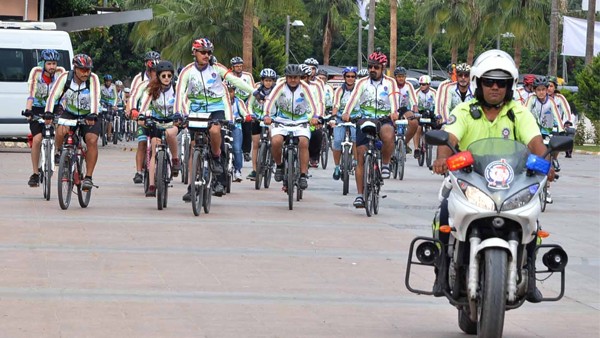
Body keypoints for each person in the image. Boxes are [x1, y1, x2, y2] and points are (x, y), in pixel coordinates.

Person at [431, 49, 553, 303]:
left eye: (502, 83)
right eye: (489, 81)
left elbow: (536, 143)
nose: (495, 87)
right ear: (478, 83)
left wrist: (546, 163)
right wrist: (442, 158)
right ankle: (442, 270)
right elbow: (449, 137)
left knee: (533, 221)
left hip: (511, 184)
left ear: (510, 86)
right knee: (443, 212)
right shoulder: (465, 111)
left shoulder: (518, 112)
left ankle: (528, 273)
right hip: (469, 179)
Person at [176, 38, 255, 200]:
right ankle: (192, 187)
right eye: (203, 52)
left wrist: (254, 92)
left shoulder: (217, 68)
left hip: (215, 109)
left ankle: (217, 158)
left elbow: (235, 80)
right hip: (196, 111)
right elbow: (179, 93)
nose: (206, 55)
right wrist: (179, 112)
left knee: (215, 130)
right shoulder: (187, 71)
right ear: (194, 53)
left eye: (209, 53)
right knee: (193, 148)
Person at [342, 51, 399, 208]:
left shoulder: (390, 83)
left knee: (388, 134)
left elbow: (394, 99)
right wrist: (346, 112)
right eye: (370, 67)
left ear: (383, 68)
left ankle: (386, 163)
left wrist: (395, 112)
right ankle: (360, 195)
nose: (372, 70)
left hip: (383, 119)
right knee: (360, 155)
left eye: (376, 67)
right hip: (365, 119)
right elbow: (353, 98)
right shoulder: (361, 83)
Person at [45, 54, 101, 192]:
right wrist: (48, 112)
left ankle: (88, 177)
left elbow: (95, 97)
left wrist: (93, 114)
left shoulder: (93, 79)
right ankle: (59, 153)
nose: (86, 73)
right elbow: (53, 95)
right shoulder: (65, 77)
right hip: (70, 112)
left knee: (91, 140)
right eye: (82, 70)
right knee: (61, 130)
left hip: (89, 114)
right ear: (75, 68)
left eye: (88, 70)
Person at [263, 64, 320, 191]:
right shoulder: (279, 87)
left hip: (301, 121)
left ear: (300, 77)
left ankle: (303, 175)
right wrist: (266, 115)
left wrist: (315, 116)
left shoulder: (305, 87)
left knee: (304, 142)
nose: (293, 80)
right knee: (276, 141)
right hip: (282, 121)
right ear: (286, 77)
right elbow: (270, 100)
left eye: (295, 77)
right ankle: (279, 166)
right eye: (290, 77)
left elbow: (314, 102)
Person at [136, 61, 180, 197]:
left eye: (169, 75)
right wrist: (141, 115)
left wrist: (183, 116)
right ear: (159, 77)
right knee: (154, 151)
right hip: (156, 122)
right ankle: (151, 185)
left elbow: (184, 103)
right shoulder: (152, 89)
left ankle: (175, 160)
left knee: (170, 134)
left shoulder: (177, 89)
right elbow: (143, 104)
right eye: (163, 76)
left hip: (172, 122)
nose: (166, 78)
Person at [24, 49, 66, 187]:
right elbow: (31, 93)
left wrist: (63, 111)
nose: (52, 66)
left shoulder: (61, 72)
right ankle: (35, 174)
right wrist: (29, 110)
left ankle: (57, 152)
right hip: (37, 107)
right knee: (37, 139)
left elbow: (63, 94)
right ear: (43, 63)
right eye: (49, 63)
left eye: (54, 63)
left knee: (62, 127)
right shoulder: (36, 72)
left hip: (54, 106)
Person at [129, 50, 161, 184]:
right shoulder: (139, 79)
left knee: (160, 143)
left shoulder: (164, 77)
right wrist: (132, 110)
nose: (153, 72)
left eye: (155, 69)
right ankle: (138, 172)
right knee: (142, 143)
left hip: (159, 115)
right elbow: (133, 97)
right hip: (143, 113)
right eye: (151, 69)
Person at [246, 68, 277, 180]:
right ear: (262, 80)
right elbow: (249, 104)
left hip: (271, 119)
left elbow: (280, 107)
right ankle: (254, 170)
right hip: (257, 119)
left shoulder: (276, 92)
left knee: (274, 141)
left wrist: (276, 118)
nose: (268, 82)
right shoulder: (256, 91)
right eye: (266, 80)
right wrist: (250, 114)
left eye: (270, 80)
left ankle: (272, 161)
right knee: (255, 145)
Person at [331, 66, 360, 181]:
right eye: (348, 76)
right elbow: (336, 105)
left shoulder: (359, 89)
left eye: (353, 76)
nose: (350, 78)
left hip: (356, 118)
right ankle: (337, 167)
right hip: (340, 118)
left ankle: (356, 162)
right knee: (337, 141)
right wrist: (333, 117)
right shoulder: (339, 90)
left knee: (356, 138)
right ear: (344, 77)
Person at [229, 56, 255, 163]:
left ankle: (246, 151)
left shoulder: (248, 76)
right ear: (232, 67)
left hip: (245, 102)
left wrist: (248, 106)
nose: (239, 68)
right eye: (237, 66)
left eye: (240, 66)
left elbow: (253, 90)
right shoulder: (228, 76)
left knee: (247, 128)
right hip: (232, 103)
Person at [225, 82, 251, 182]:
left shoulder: (238, 101)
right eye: (226, 92)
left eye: (231, 91)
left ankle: (237, 170)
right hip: (223, 127)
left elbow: (245, 113)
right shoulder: (219, 102)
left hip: (236, 126)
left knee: (236, 148)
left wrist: (245, 117)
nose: (228, 94)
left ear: (234, 92)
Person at [393, 66, 419, 157]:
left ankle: (405, 142)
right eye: (399, 76)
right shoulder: (391, 84)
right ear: (395, 77)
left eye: (403, 76)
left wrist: (415, 109)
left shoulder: (409, 85)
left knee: (414, 122)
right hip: (392, 109)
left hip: (404, 109)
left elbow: (413, 99)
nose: (401, 78)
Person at [100, 74, 118, 140]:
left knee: (110, 119)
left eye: (109, 81)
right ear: (104, 81)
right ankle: (101, 129)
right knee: (101, 115)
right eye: (106, 81)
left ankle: (109, 134)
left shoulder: (113, 87)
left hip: (111, 103)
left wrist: (114, 105)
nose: (108, 83)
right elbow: (98, 95)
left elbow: (116, 97)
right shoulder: (101, 87)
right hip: (103, 102)